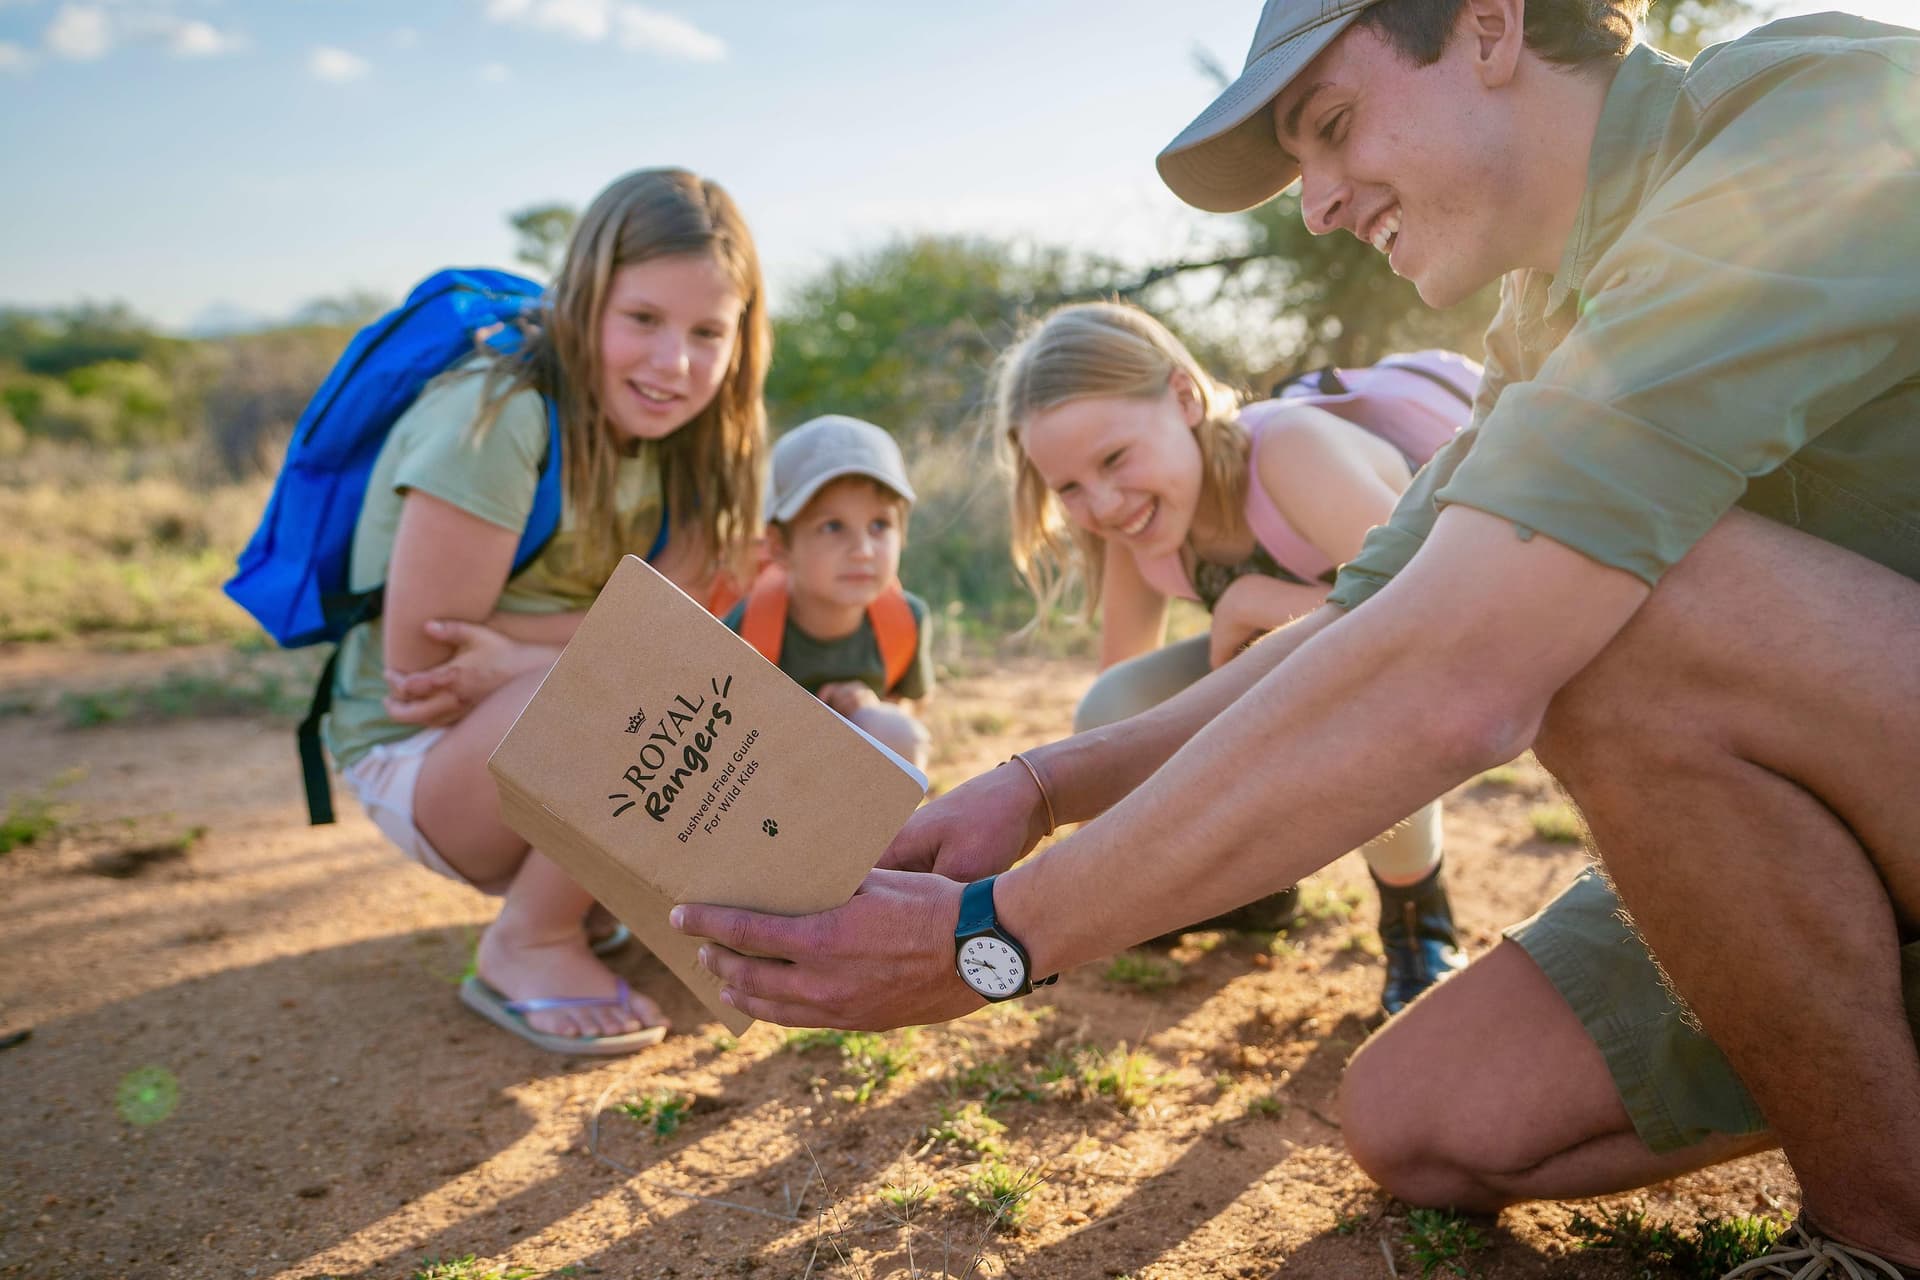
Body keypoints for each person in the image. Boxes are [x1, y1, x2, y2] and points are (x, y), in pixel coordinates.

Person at [672, 1, 1920, 1273]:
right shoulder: (1545, 324)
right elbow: (1354, 624)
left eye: (1332, 126)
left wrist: (991, 935)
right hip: (1861, 818)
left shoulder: (1812, 120)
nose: (1316, 202)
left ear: (1489, 24)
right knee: (1424, 1120)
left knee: (1619, 607)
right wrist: (1036, 788)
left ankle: (1883, 1227)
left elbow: (1459, 666)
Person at [326, 167, 770, 1055]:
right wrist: (581, 661)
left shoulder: (704, 444)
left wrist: (525, 655)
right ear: (585, 298)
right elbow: (423, 671)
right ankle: (527, 939)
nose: (672, 364)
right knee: (648, 679)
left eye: (707, 332)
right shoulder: (503, 415)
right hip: (419, 757)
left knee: (713, 681)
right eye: (642, 319)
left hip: (534, 715)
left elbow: (683, 629)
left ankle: (598, 899)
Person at [996, 300, 1480, 1012]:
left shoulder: (1287, 449)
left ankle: (1418, 921)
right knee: (1116, 705)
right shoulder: (1130, 522)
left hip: (1424, 653)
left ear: (1185, 398)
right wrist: (1122, 869)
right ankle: (1252, 890)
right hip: (1319, 652)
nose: (1101, 503)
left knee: (1356, 704)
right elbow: (1119, 720)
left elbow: (1432, 612)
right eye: (1069, 487)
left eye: (1115, 459)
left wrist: (1257, 603)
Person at [722, 414, 935, 771]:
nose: (863, 550)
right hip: (763, 774)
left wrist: (868, 709)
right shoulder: (747, 629)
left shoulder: (904, 620)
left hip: (852, 777)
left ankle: (887, 827)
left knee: (899, 734)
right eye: (833, 526)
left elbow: (914, 705)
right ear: (779, 547)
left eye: (879, 525)